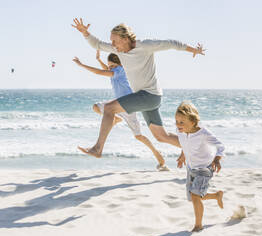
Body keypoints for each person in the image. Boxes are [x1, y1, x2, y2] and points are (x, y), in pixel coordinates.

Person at [71, 18, 205, 158]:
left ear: (125, 38)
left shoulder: (145, 46)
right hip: (146, 98)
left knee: (110, 108)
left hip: (149, 95)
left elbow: (171, 44)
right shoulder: (118, 50)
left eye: (114, 40)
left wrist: (193, 50)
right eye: (111, 41)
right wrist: (85, 33)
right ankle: (199, 148)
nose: (112, 44)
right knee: (161, 136)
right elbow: (97, 44)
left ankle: (97, 149)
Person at [72, 51, 168, 170]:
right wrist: (99, 60)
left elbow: (100, 72)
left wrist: (82, 65)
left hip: (128, 107)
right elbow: (106, 69)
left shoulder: (120, 71)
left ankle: (158, 155)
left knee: (138, 136)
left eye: (113, 66)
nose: (110, 68)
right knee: (96, 107)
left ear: (121, 64)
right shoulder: (116, 71)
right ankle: (115, 119)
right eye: (110, 66)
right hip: (116, 105)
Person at [175, 101, 224, 232]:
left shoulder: (203, 133)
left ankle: (198, 225)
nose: (178, 125)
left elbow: (220, 146)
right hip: (191, 167)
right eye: (177, 121)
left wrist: (217, 159)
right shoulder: (181, 131)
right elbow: (185, 144)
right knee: (192, 196)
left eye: (181, 122)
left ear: (193, 121)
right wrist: (182, 155)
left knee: (195, 195)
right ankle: (216, 196)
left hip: (205, 168)